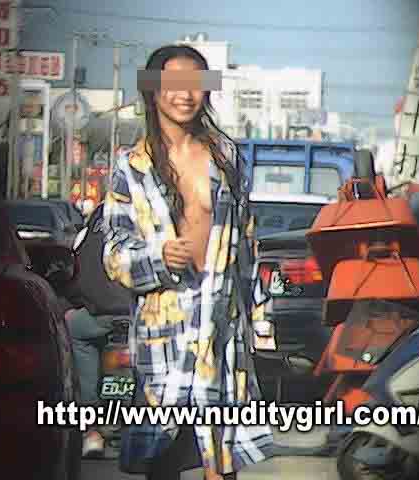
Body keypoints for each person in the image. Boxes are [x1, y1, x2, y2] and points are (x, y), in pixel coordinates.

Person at [102, 44, 275, 480]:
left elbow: (247, 245)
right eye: (174, 83)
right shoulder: (131, 167)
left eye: (196, 84)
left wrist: (260, 323)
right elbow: (114, 255)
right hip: (164, 330)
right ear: (152, 89)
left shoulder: (226, 155)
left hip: (221, 326)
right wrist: (158, 257)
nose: (185, 94)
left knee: (222, 459)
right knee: (163, 457)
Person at [59, 202, 134, 458]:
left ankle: (91, 430)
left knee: (74, 329)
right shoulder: (150, 214)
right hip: (134, 314)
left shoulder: (95, 221)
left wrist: (73, 303)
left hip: (96, 314)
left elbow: (75, 270)